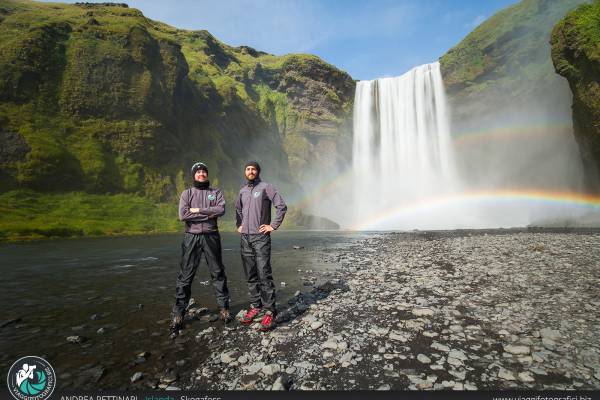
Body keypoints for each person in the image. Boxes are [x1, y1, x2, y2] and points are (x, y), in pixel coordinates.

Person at [170, 162, 231, 338]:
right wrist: (208, 213)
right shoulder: (187, 193)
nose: (201, 174)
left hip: (212, 236)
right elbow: (183, 215)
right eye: (198, 172)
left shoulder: (216, 192)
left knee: (218, 272)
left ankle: (224, 309)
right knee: (185, 275)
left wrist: (198, 209)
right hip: (192, 237)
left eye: (204, 171)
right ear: (194, 175)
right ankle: (179, 313)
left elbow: (221, 210)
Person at [235, 161, 287, 331]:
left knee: (264, 274)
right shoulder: (242, 190)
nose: (250, 171)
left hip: (261, 238)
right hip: (245, 238)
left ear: (258, 171)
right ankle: (255, 306)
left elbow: (281, 206)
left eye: (253, 169)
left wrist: (273, 225)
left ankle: (270, 311)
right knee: (250, 275)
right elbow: (238, 209)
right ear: (245, 172)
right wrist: (239, 224)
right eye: (248, 169)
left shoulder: (266, 187)